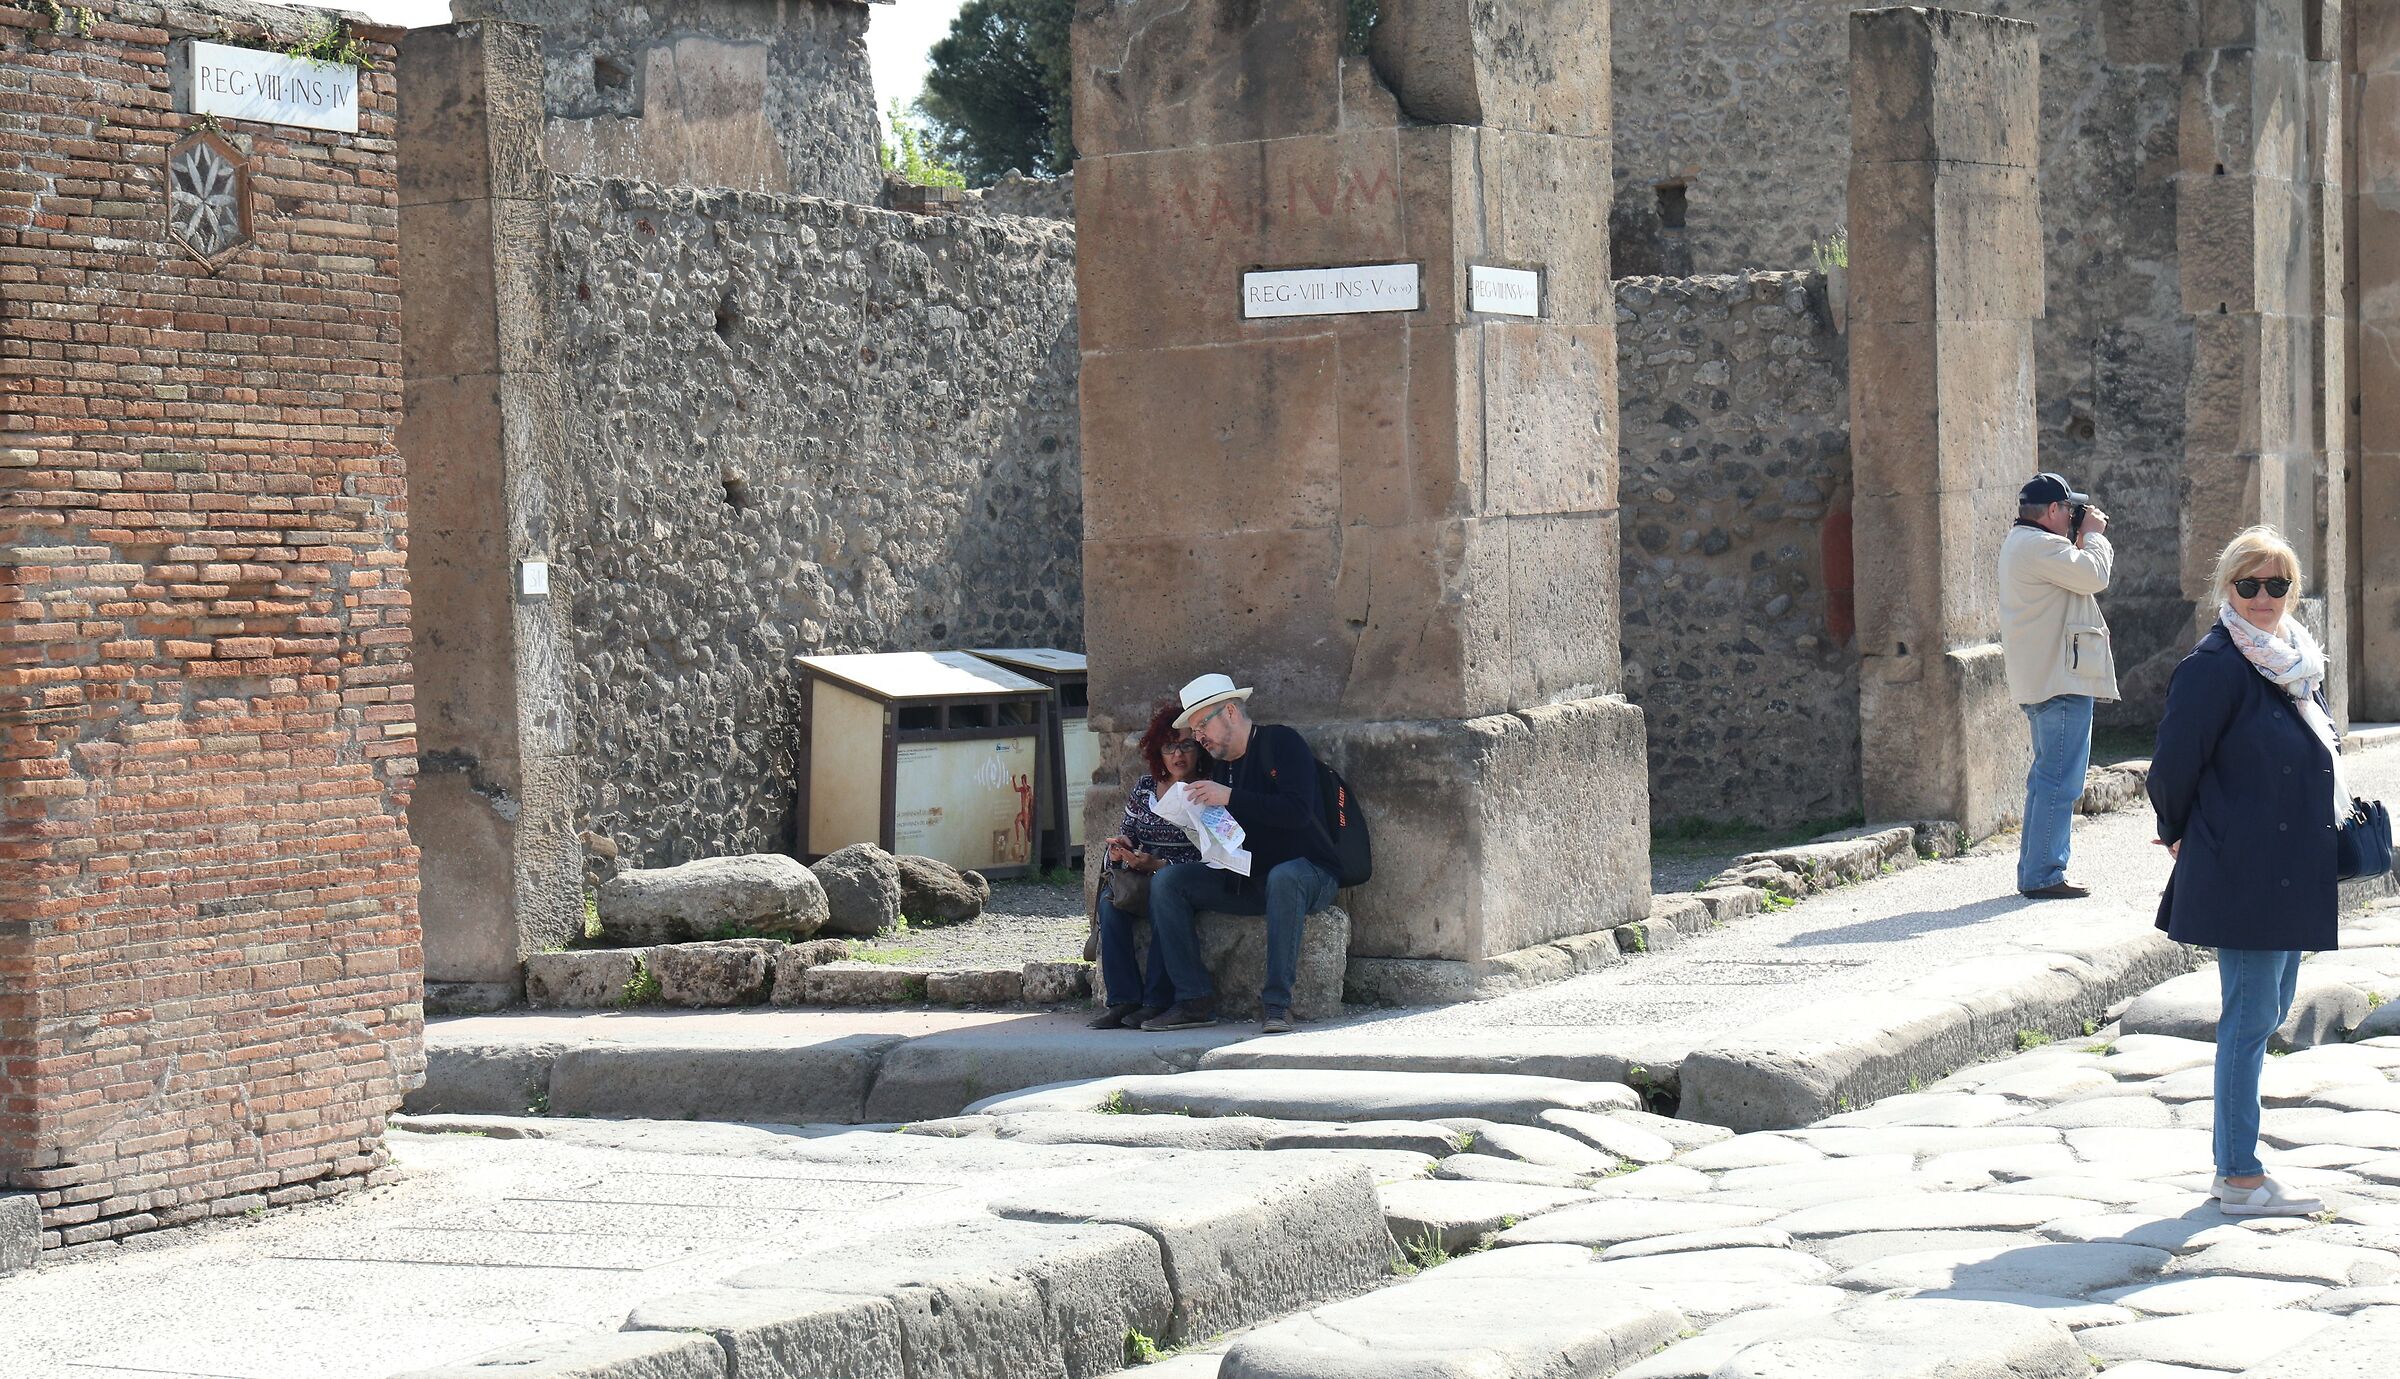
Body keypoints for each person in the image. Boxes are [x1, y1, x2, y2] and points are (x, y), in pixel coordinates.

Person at [2149, 526, 2346, 1217]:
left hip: (2288, 864)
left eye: (2278, 584)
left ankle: (2233, 1165)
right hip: (2244, 866)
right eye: (2250, 585)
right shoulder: (2215, 666)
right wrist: (2177, 832)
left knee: (2269, 1011)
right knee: (2248, 1017)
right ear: (2226, 589)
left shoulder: (2295, 661)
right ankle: (2238, 1176)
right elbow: (2172, 766)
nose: (2264, 598)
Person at [1141, 674, 1341, 1035]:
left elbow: (1298, 812)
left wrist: (1228, 797)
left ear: (1230, 711)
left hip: (1309, 874)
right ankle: (1193, 1000)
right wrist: (1199, 825)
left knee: (1285, 876)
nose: (1199, 737)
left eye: (1203, 724)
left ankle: (1277, 1004)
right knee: (1169, 882)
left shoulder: (1281, 743)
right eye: (1194, 730)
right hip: (1247, 876)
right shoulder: (1219, 768)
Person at [1998, 472, 2119, 899]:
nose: (2073, 517)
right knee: (2059, 780)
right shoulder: (2040, 546)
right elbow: (2093, 575)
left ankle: (2035, 869)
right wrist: (2095, 535)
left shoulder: (2026, 544)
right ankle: (2044, 874)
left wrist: (2080, 534)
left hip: (2047, 677)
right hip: (2058, 681)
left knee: (2047, 776)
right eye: (2068, 510)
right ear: (2052, 511)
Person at [1087, 700, 1210, 1030]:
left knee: (1163, 892)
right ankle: (1123, 999)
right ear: (1159, 751)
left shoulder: (1205, 790)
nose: (1179, 755)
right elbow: (1128, 834)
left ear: (1199, 749)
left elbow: (1214, 852)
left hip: (1183, 878)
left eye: (1186, 745)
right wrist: (1120, 851)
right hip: (1143, 872)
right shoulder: (1144, 789)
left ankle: (1156, 1001)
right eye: (1170, 746)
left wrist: (1161, 863)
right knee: (1110, 904)